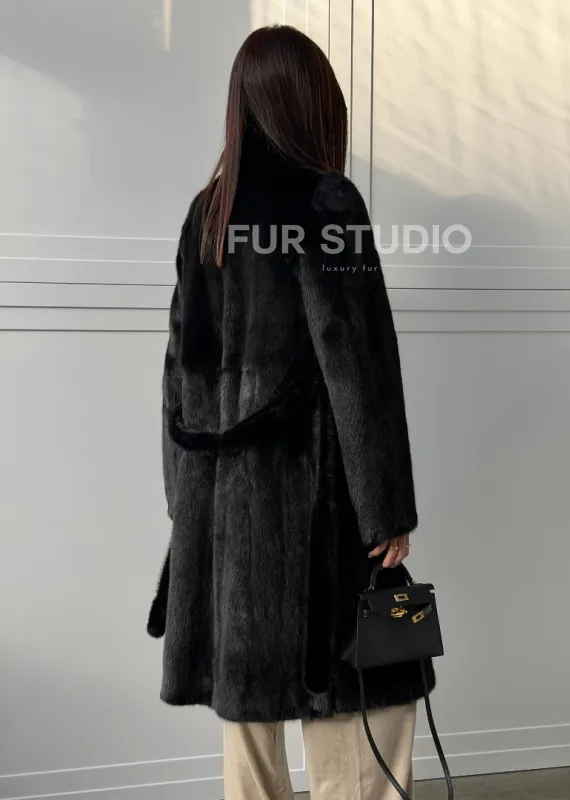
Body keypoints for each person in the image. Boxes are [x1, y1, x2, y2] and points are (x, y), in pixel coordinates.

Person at [147, 24, 433, 800]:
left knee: (250, 723)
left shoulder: (208, 211)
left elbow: (176, 376)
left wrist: (189, 507)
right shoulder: (326, 201)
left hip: (223, 521)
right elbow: (359, 367)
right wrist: (386, 509)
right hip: (318, 520)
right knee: (365, 708)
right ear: (312, 103)